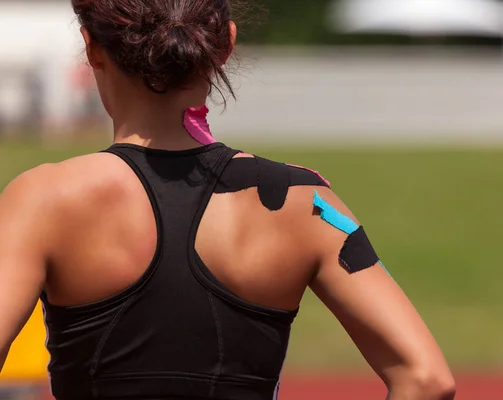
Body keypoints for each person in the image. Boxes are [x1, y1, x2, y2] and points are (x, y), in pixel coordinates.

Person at [0, 1, 456, 399]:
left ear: (91, 47)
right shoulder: (307, 203)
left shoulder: (44, 199)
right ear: (226, 43)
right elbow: (427, 379)